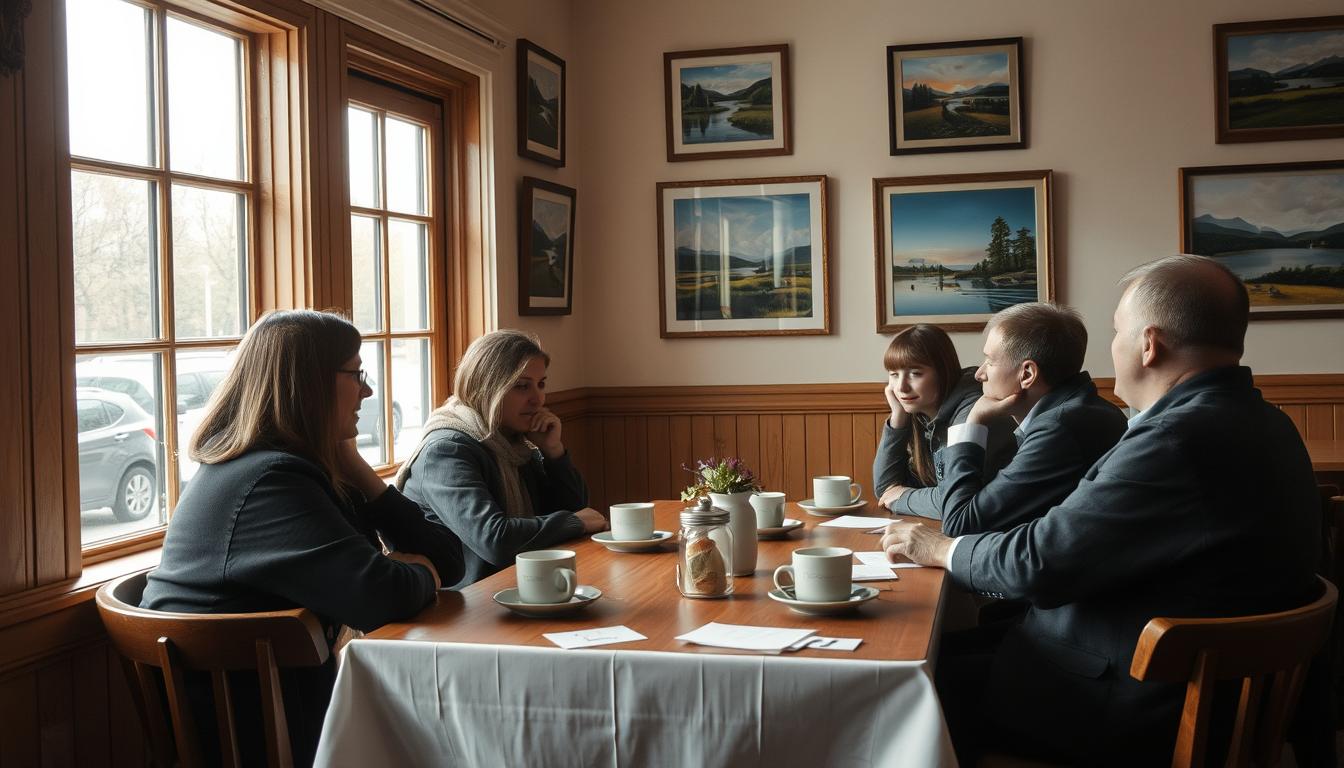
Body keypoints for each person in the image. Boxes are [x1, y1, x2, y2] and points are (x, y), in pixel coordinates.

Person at [881, 255, 1321, 765]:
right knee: (946, 653)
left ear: (1149, 344)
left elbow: (1039, 561)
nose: (1111, 349)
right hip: (1193, 680)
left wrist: (939, 547)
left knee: (912, 689)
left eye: (1117, 331)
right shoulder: (1266, 421)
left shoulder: (1173, 440)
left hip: (1137, 702)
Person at [142, 309, 465, 766]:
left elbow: (449, 562)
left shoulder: (293, 467)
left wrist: (359, 471)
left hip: (287, 709)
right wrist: (418, 573)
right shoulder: (268, 482)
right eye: (356, 374)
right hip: (252, 732)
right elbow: (382, 597)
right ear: (310, 384)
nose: (367, 391)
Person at [396, 329, 606, 589]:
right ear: (486, 387)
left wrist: (554, 453)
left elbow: (577, 510)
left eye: (541, 384)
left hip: (516, 591)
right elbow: (494, 540)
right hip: (460, 611)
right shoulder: (446, 451)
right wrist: (573, 522)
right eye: (522, 386)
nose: (538, 398)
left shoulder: (513, 442)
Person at [933, 302, 1127, 537]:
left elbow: (959, 523)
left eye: (990, 361)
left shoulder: (1058, 428)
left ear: (1027, 374)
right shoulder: (1086, 410)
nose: (979, 373)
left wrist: (972, 423)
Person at [872, 324, 1014, 518]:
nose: (901, 387)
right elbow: (886, 489)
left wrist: (902, 497)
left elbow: (958, 501)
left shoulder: (973, 410)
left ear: (943, 372)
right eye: (894, 375)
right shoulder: (920, 413)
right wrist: (898, 418)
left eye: (915, 373)